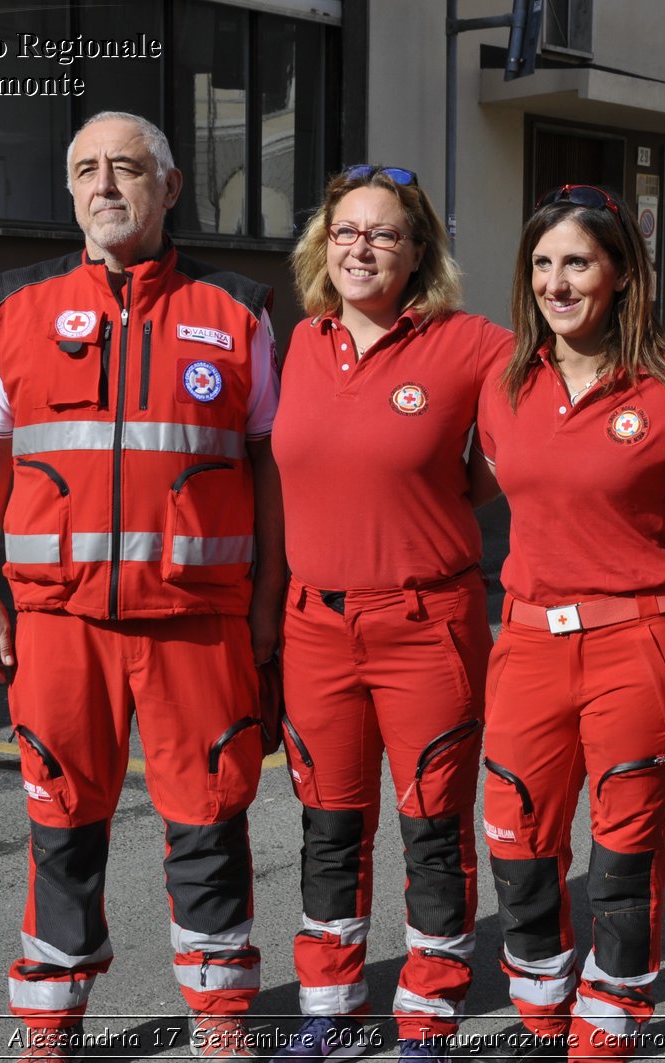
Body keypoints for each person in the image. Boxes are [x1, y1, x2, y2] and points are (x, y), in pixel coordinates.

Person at [0, 111, 283, 1061]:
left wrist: (266, 607)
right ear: (69, 190)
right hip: (58, 619)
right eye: (86, 170)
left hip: (199, 617)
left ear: (170, 187)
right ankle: (50, 1018)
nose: (105, 186)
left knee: (212, 817)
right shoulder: (16, 307)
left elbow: (269, 464)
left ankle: (220, 1016)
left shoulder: (237, 310)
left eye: (127, 169)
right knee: (59, 818)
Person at [268, 164, 511, 1063]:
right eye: (344, 232)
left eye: (383, 234)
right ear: (321, 249)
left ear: (419, 254)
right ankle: (331, 1004)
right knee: (329, 821)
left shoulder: (472, 344)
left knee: (432, 822)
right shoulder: (297, 343)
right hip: (314, 625)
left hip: (426, 622)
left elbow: (541, 418)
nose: (361, 247)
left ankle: (429, 1007)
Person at [475, 185, 665, 1061]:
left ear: (619, 273)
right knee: (517, 829)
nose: (557, 281)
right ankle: (539, 1003)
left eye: (577, 261)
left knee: (623, 838)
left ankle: (611, 1012)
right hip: (529, 635)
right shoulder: (503, 386)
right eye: (542, 263)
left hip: (635, 635)